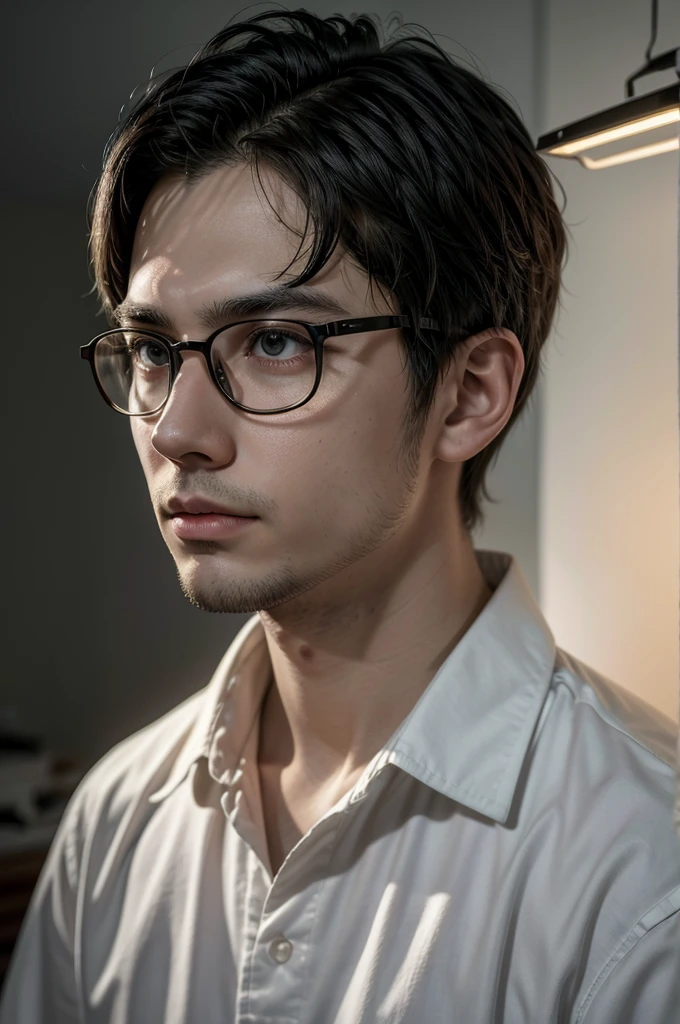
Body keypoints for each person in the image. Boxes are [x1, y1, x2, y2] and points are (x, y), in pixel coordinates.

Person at [2, 8, 678, 1023]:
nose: (178, 428)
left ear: (467, 393)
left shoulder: (641, 872)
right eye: (151, 348)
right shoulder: (113, 821)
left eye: (273, 341)